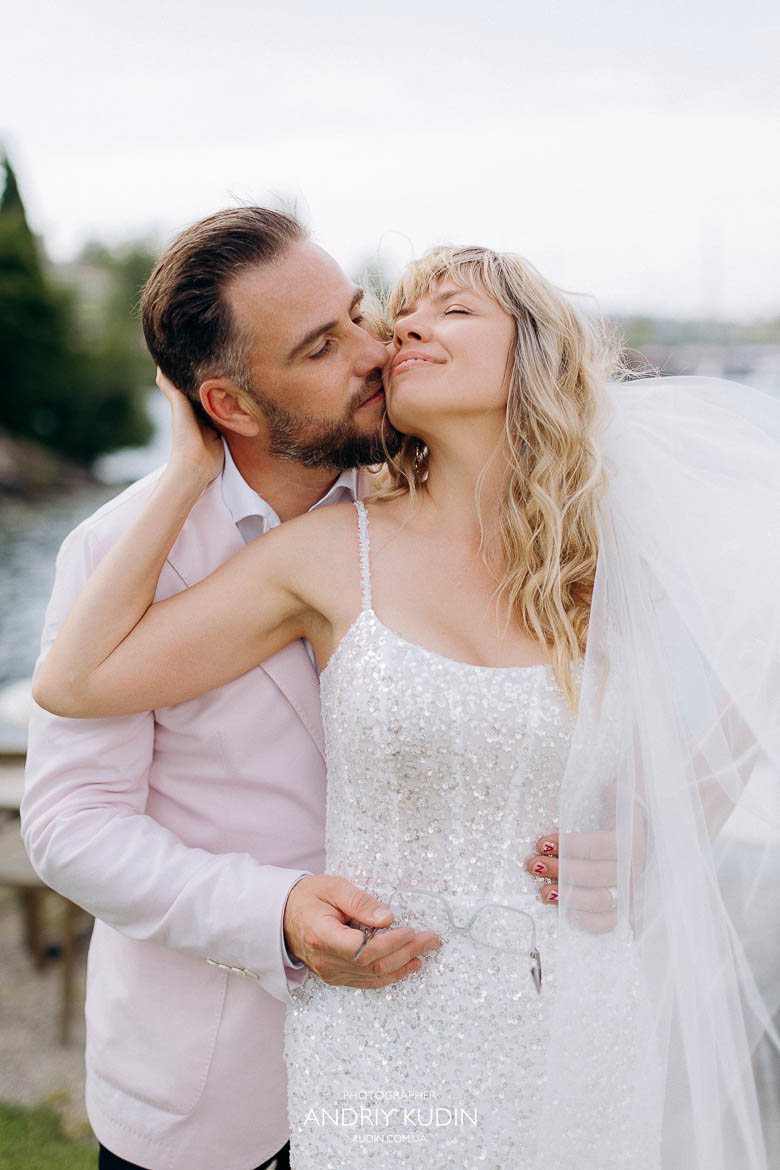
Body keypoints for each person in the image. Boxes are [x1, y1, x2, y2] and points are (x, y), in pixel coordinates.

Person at [32, 243, 780, 1169]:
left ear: (538, 353)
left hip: (562, 1028)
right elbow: (70, 789)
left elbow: (758, 660)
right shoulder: (266, 549)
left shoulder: (590, 549)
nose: (386, 338)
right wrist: (191, 467)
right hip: (274, 1067)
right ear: (228, 404)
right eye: (324, 343)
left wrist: (660, 837)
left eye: (370, 313)